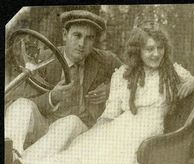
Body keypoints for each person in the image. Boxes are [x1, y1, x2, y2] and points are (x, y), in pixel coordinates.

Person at [18, 23, 194, 164]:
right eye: (149, 49)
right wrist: (95, 133)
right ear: (138, 51)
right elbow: (111, 112)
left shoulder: (172, 71)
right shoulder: (124, 75)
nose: (156, 54)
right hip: (122, 124)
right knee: (86, 150)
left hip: (148, 129)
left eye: (160, 48)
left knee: (109, 158)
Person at [5, 10, 122, 156]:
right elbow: (13, 100)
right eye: (77, 35)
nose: (82, 44)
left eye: (89, 38)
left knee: (71, 121)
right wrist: (52, 97)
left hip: (78, 135)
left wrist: (111, 89)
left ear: (94, 41)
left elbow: (130, 75)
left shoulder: (105, 60)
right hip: (45, 125)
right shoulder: (44, 59)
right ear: (65, 35)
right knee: (22, 105)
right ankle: (10, 155)